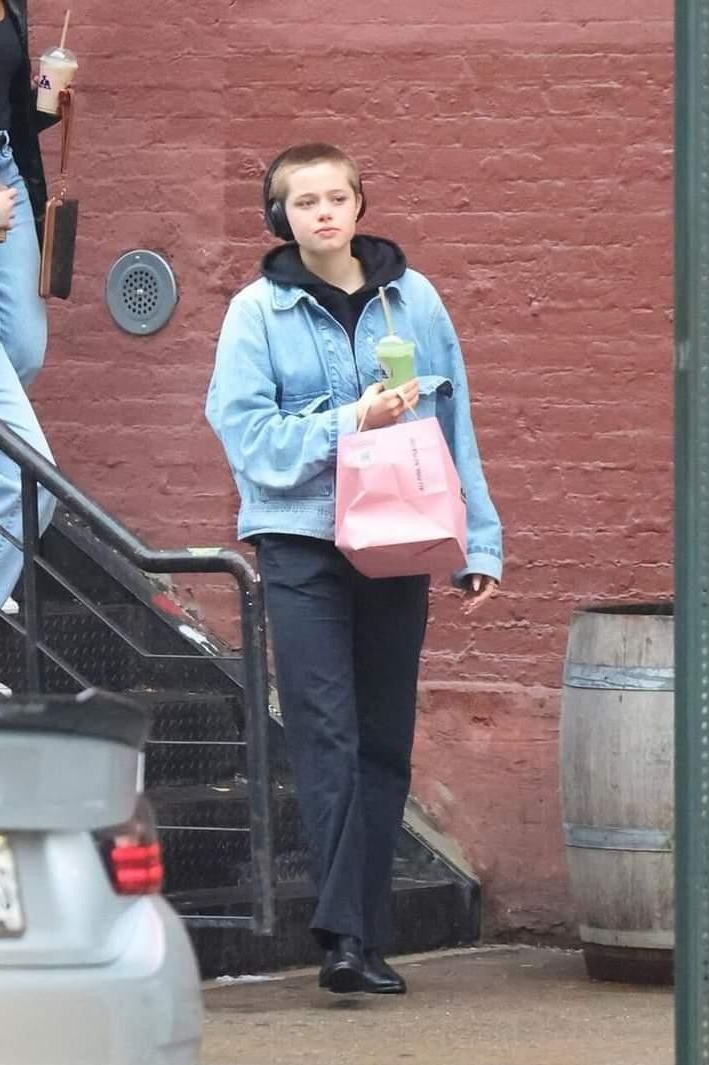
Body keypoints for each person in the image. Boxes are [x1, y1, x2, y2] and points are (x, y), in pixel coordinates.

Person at [206, 143, 502, 995]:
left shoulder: (418, 302)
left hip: (401, 539)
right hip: (299, 542)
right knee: (325, 734)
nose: (324, 213)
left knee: (382, 740)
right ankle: (341, 939)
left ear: (360, 206)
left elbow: (456, 427)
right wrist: (351, 420)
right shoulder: (255, 314)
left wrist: (476, 544)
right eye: (304, 203)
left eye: (337, 198)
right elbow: (249, 442)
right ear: (280, 218)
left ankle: (363, 935)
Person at [0, 0, 61, 692]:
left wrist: (48, 97)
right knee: (29, 479)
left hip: (4, 169)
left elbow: (13, 105)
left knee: (24, 346)